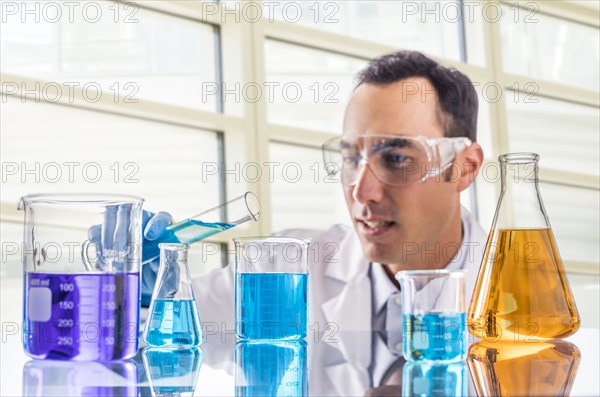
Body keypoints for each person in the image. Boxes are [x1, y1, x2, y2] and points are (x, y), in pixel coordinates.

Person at [140, 50, 486, 392]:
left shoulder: (526, 295)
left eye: (396, 158)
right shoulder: (281, 268)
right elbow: (143, 334)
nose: (362, 192)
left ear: (465, 168)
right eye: (351, 158)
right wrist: (134, 286)